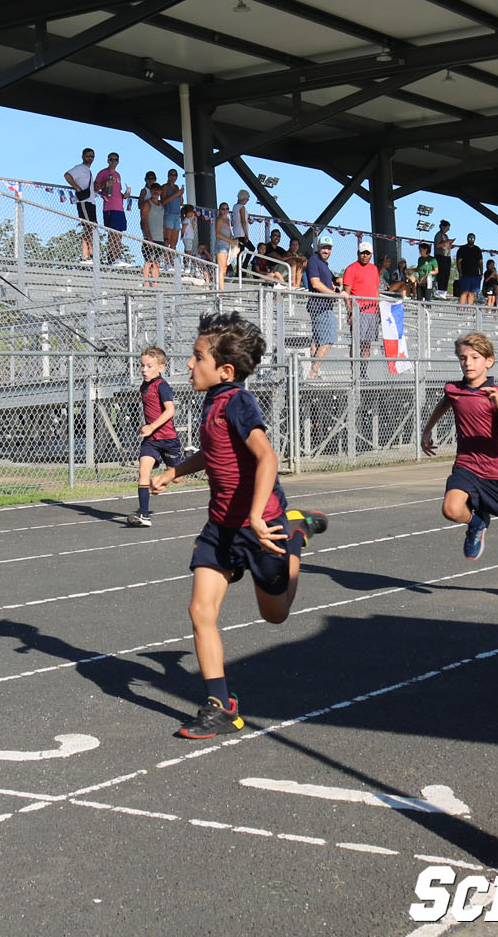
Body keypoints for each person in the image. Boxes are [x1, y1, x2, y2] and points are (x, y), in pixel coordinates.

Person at [150, 312, 329, 738]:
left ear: (225, 370)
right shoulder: (211, 402)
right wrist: (174, 472)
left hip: (261, 526)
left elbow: (267, 457)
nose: (189, 365)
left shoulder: (237, 402)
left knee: (276, 616)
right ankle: (220, 706)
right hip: (220, 527)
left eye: (196, 357)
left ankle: (297, 532)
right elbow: (214, 455)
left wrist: (254, 513)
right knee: (200, 610)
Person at [420, 332, 498, 599]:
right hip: (468, 465)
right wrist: (427, 431)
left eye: (474, 358)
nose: (468, 363)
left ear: (488, 362)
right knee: (451, 508)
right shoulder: (454, 390)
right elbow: (443, 404)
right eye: (463, 358)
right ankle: (477, 520)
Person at [128, 346, 181, 528]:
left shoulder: (162, 386)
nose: (144, 370)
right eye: (142, 366)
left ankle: (187, 457)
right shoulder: (144, 386)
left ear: (161, 367)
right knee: (144, 470)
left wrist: (151, 426)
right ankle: (143, 513)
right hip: (151, 440)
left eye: (149, 366)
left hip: (168, 439)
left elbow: (170, 410)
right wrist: (148, 430)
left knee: (177, 478)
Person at [342, 240, 383, 374]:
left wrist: (379, 310)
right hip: (358, 311)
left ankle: (363, 372)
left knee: (367, 344)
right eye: (362, 253)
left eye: (367, 253)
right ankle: (354, 372)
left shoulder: (374, 269)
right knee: (356, 343)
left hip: (372, 311)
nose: (365, 256)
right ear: (358, 253)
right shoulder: (351, 268)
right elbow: (346, 294)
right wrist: (350, 312)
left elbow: (376, 291)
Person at [304, 235, 340, 378]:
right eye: (324, 247)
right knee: (328, 339)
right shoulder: (314, 261)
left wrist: (335, 290)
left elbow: (328, 282)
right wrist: (334, 294)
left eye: (328, 248)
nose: (326, 250)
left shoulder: (324, 264)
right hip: (320, 306)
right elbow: (315, 283)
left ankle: (312, 371)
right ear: (318, 247)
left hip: (324, 305)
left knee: (317, 341)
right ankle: (312, 373)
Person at [93, 151, 129, 266]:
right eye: (111, 159)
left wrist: (125, 195)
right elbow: (96, 187)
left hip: (120, 207)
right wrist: (105, 184)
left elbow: (117, 191)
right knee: (112, 233)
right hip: (109, 207)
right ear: (108, 160)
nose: (114, 162)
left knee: (119, 233)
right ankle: (114, 257)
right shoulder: (103, 173)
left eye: (116, 160)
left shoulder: (118, 175)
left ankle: (118, 256)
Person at [63, 147, 95, 262]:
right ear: (82, 156)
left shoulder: (88, 170)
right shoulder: (80, 168)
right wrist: (76, 187)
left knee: (92, 227)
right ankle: (85, 255)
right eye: (87, 156)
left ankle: (91, 253)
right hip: (84, 201)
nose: (90, 158)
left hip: (91, 201)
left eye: (92, 156)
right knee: (87, 227)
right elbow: (67, 175)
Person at [213, 201, 238, 288]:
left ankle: (220, 287)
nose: (225, 210)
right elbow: (218, 234)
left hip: (227, 245)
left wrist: (233, 239)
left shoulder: (227, 220)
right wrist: (229, 240)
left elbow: (228, 232)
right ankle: (221, 289)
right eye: (223, 209)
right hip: (221, 245)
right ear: (220, 210)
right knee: (221, 268)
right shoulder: (219, 220)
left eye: (227, 208)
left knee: (224, 269)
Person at [456, 232, 483, 305]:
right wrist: (460, 273)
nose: (471, 240)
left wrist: (481, 273)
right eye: (470, 238)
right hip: (465, 274)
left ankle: (469, 309)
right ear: (467, 239)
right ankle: (461, 309)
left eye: (473, 238)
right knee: (464, 292)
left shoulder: (477, 249)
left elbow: (480, 262)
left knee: (472, 293)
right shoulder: (462, 249)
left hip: (475, 275)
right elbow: (458, 262)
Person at [160, 169, 184, 250]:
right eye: (171, 174)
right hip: (168, 214)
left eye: (175, 175)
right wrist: (176, 194)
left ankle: (172, 260)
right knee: (167, 240)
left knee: (174, 242)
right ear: (168, 176)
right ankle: (166, 260)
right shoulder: (165, 187)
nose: (173, 177)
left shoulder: (177, 187)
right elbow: (163, 202)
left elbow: (181, 202)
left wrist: (180, 194)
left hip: (177, 215)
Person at [433, 220, 455, 294]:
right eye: (447, 228)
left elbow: (446, 246)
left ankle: (443, 291)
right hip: (440, 256)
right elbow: (438, 245)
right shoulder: (439, 235)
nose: (448, 230)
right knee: (441, 274)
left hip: (446, 256)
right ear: (443, 227)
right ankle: (438, 290)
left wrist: (450, 245)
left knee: (446, 274)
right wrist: (447, 242)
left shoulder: (445, 236)